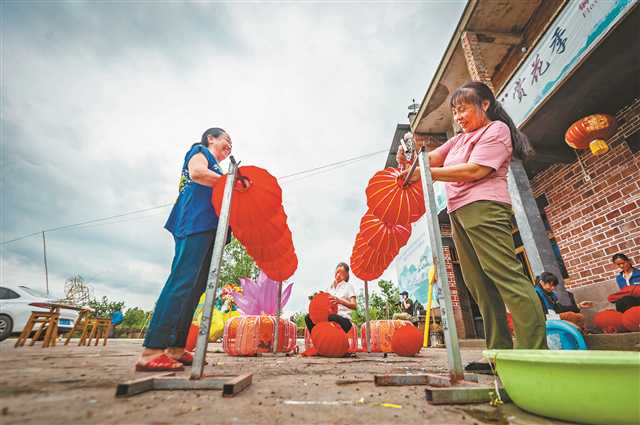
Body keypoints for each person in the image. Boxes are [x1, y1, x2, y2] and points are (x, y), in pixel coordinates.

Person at [399, 81, 547, 373]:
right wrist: (411, 163)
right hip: (458, 211)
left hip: (485, 208)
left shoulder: (496, 131)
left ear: (485, 105)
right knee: (478, 283)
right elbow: (429, 159)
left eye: (463, 108)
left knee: (506, 276)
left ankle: (535, 357)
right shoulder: (458, 140)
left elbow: (476, 170)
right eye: (455, 112)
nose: (458, 117)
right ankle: (498, 354)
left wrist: (428, 174)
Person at [136, 127, 234, 371]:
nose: (230, 145)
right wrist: (231, 181)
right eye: (226, 139)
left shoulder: (220, 171)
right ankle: (152, 350)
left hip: (211, 227)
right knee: (182, 280)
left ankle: (176, 347)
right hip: (195, 220)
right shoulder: (200, 152)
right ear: (211, 138)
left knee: (196, 287)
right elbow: (198, 173)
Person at [305, 262, 357, 333]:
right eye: (337, 272)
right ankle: (317, 339)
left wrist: (340, 301)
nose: (338, 275)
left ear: (346, 275)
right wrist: (317, 298)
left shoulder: (348, 286)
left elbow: (354, 305)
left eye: (342, 273)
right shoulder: (329, 288)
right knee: (309, 317)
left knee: (331, 317)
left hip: (344, 320)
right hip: (328, 317)